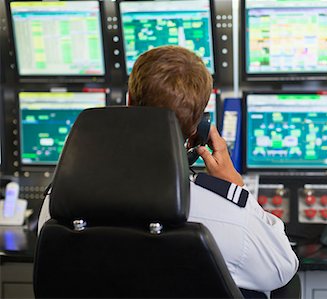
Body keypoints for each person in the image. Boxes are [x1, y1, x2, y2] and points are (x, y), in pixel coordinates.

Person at [38, 46, 299, 296]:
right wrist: (237, 189)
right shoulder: (227, 216)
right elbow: (281, 269)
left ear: (129, 102)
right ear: (199, 125)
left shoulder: (59, 203)